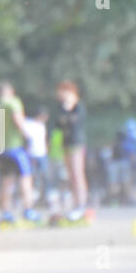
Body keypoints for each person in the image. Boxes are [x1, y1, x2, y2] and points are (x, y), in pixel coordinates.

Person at [0, 81, 35, 223]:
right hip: (16, 148)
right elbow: (18, 121)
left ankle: (6, 212)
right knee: (25, 178)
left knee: (6, 181)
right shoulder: (13, 103)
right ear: (10, 92)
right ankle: (28, 210)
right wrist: (27, 136)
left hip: (2, 150)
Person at [52, 80, 88, 218]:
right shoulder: (62, 107)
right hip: (65, 144)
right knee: (71, 176)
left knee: (77, 174)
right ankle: (75, 205)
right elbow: (58, 124)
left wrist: (67, 112)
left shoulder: (78, 106)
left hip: (76, 143)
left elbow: (74, 122)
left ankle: (81, 205)